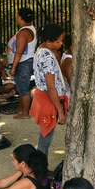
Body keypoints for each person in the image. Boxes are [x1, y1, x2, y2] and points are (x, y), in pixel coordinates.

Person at [31, 24, 70, 156]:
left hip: (45, 98)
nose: (61, 44)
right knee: (45, 138)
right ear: (48, 41)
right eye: (58, 41)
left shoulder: (41, 49)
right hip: (49, 100)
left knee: (45, 135)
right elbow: (51, 87)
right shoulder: (47, 57)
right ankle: (39, 168)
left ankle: (39, 166)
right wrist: (60, 111)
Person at [7, 7, 37, 119]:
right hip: (27, 62)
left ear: (20, 17)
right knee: (21, 88)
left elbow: (19, 52)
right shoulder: (30, 28)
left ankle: (25, 113)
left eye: (17, 15)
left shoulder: (23, 33)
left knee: (23, 89)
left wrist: (13, 67)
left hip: (23, 63)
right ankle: (22, 110)